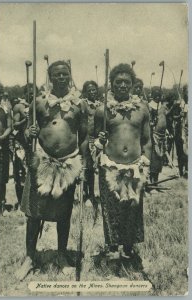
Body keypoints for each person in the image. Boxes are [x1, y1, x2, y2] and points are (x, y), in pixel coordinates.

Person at [15, 60, 88, 280]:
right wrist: (30, 133)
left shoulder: (79, 104)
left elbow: (83, 136)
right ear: (50, 77)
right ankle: (30, 257)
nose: (61, 78)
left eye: (65, 74)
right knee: (34, 213)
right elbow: (26, 133)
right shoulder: (39, 102)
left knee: (63, 214)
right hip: (42, 163)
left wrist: (83, 164)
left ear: (70, 76)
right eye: (57, 75)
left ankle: (62, 255)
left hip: (68, 164)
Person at [94, 63, 151, 261]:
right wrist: (99, 141)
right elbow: (94, 137)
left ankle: (128, 248)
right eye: (118, 82)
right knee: (111, 209)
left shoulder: (142, 109)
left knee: (132, 208)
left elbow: (147, 140)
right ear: (111, 84)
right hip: (110, 165)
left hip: (135, 166)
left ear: (133, 84)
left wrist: (147, 163)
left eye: (127, 82)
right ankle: (112, 247)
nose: (122, 85)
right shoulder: (103, 111)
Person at [81, 80, 100, 211]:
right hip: (85, 139)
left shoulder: (100, 105)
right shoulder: (83, 104)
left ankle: (92, 194)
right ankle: (86, 194)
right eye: (89, 90)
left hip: (98, 139)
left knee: (94, 169)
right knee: (85, 168)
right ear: (85, 92)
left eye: (94, 90)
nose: (92, 92)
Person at [0, 90, 12, 215]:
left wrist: (1, 137)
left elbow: (9, 127)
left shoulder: (5, 109)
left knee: (1, 178)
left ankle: (2, 202)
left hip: (2, 146)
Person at [149, 86, 168, 183]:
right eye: (155, 95)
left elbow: (165, 118)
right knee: (154, 157)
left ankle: (156, 179)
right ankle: (152, 180)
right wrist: (152, 122)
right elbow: (149, 122)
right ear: (152, 96)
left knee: (160, 157)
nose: (157, 97)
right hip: (154, 135)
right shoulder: (150, 106)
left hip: (162, 135)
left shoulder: (162, 106)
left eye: (159, 95)